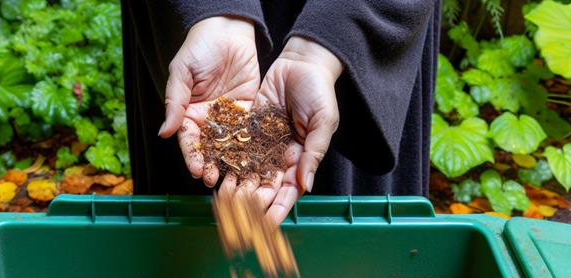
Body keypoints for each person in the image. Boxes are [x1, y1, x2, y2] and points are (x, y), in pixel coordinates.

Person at [122, 1, 441, 223]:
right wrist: (215, 14)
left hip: (359, 21)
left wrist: (333, 37)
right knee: (184, 241)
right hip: (201, 35)